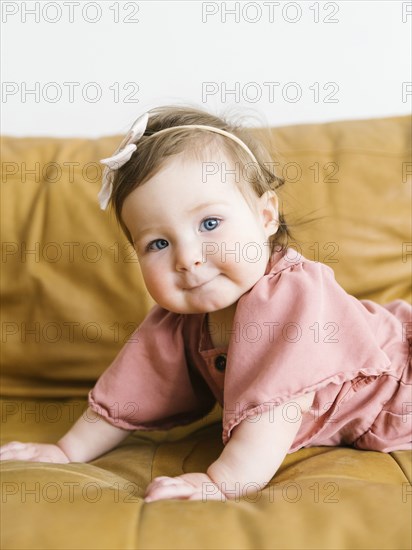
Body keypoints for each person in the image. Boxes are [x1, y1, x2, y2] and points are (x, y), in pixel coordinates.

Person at [1, 106, 411, 503]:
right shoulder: (179, 320)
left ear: (266, 215)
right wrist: (67, 451)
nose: (187, 257)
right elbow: (132, 387)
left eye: (209, 224)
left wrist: (224, 480)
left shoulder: (295, 296)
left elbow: (278, 410)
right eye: (158, 243)